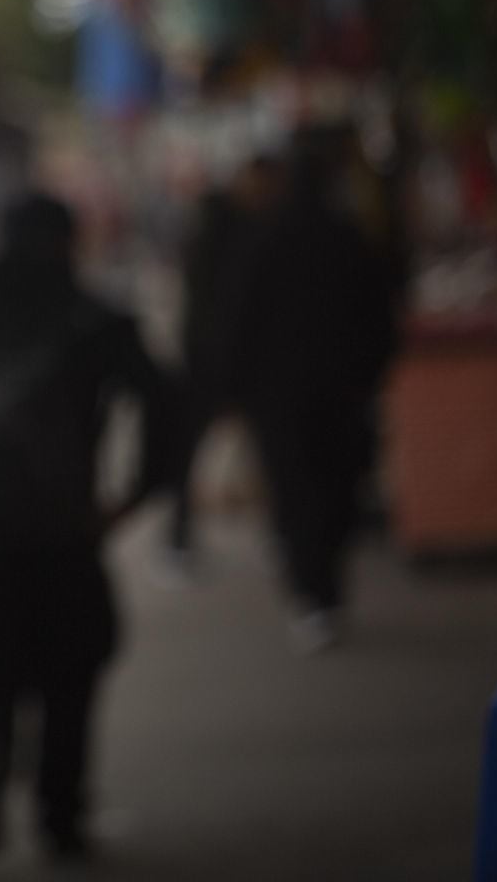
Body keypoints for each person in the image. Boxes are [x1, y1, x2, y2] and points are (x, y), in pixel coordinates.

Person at [0, 193, 181, 860]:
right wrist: (135, 495)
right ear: (68, 243)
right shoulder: (91, 317)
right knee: (72, 668)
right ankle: (61, 817)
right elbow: (167, 402)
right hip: (65, 531)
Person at [229, 127, 398, 654]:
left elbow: (237, 319)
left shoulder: (262, 237)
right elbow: (381, 313)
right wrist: (371, 373)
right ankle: (325, 587)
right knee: (336, 488)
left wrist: (238, 388)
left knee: (295, 491)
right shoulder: (348, 236)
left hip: (278, 395)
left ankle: (312, 594)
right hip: (341, 390)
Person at [165, 153, 281, 573]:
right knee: (195, 448)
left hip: (227, 356)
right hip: (217, 357)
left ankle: (183, 537)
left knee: (266, 448)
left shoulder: (232, 227)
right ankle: (179, 538)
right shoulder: (229, 229)